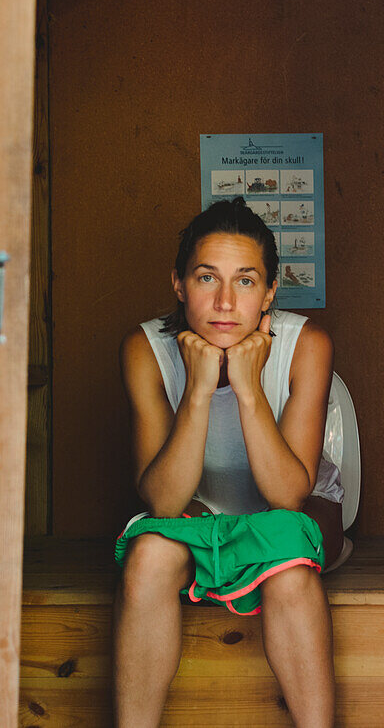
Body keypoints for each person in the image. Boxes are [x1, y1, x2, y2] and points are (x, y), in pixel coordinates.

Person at [115, 197, 345, 727]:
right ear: (178, 284)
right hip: (193, 517)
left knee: (287, 562)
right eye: (205, 278)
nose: (224, 302)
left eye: (245, 281)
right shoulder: (144, 347)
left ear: (268, 292)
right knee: (148, 554)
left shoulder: (305, 343)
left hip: (292, 514)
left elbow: (288, 496)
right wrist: (197, 391)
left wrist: (246, 388)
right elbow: (164, 503)